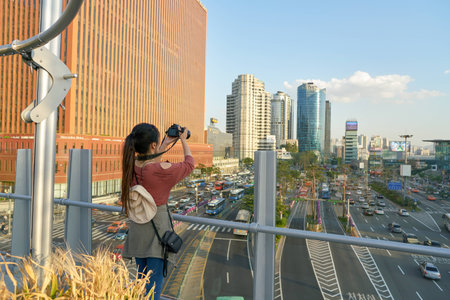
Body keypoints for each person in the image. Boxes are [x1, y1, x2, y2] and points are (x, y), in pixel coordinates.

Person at [121, 123, 194, 299]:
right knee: (153, 289)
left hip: (138, 231)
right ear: (152, 145)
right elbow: (189, 165)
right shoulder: (158, 171)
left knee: (141, 283)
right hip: (158, 234)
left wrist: (164, 144)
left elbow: (149, 162)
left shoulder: (131, 165)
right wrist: (183, 140)